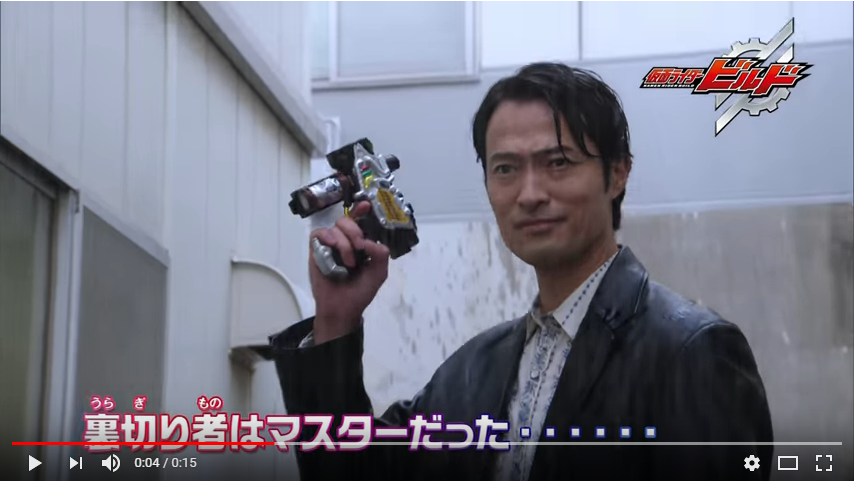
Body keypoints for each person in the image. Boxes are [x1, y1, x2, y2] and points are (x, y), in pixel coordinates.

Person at [269, 62, 773, 480]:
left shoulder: (691, 351)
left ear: (618, 173)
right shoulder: (472, 370)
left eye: (558, 162)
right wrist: (335, 320)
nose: (530, 194)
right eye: (506, 169)